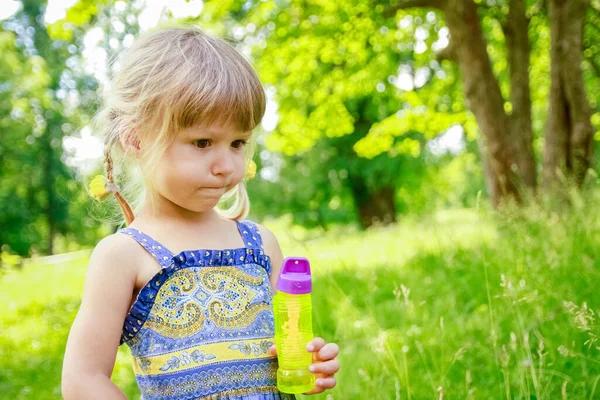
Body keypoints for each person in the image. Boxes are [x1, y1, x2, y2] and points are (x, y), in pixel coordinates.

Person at [62, 25, 340, 400]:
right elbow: (84, 379)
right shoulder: (124, 255)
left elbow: (288, 349)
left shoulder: (261, 244)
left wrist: (307, 364)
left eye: (238, 142)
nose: (226, 164)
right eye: (203, 142)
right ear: (136, 139)